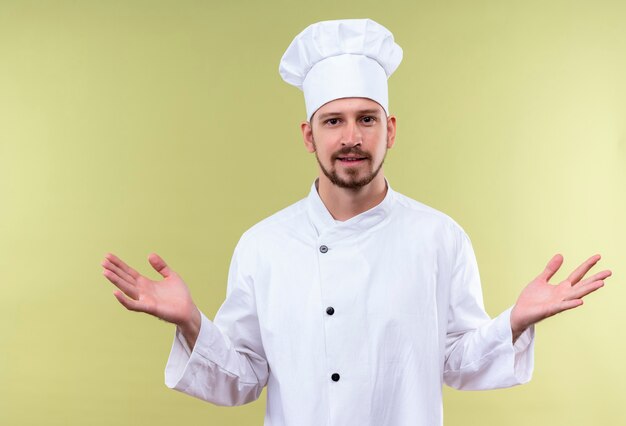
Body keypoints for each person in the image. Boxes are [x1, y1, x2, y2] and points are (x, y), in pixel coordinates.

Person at [101, 19, 611, 426]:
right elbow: (245, 378)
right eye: (333, 120)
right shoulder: (263, 246)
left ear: (389, 129)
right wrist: (192, 322)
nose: (351, 137)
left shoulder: (439, 238)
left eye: (366, 119)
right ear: (308, 135)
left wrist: (514, 321)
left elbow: (456, 363)